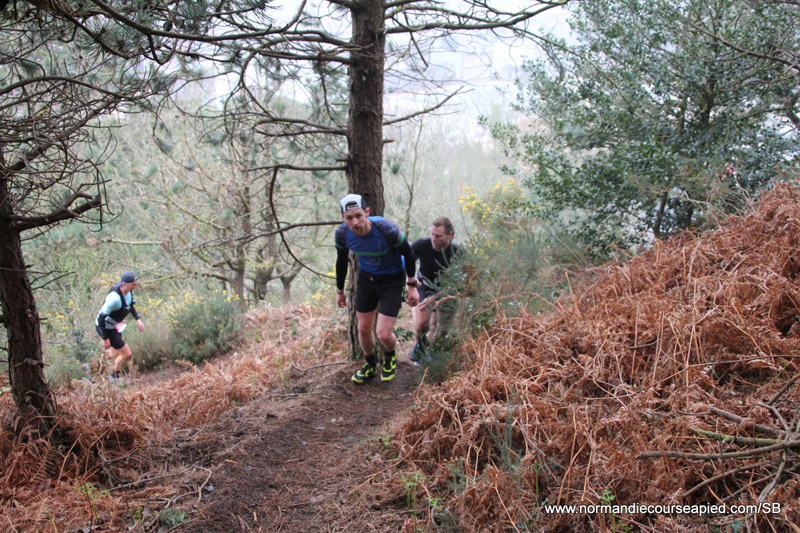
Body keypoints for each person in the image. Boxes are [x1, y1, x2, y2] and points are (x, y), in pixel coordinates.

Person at [335, 194, 419, 384]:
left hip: (393, 279)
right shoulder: (342, 233)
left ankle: (390, 355)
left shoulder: (385, 228)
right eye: (349, 218)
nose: (355, 222)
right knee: (363, 328)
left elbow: (408, 253)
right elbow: (341, 262)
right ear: (343, 218)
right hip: (367, 278)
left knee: (383, 333)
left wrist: (411, 285)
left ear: (367, 212)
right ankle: (370, 364)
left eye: (358, 216)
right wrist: (339, 291)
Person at [409, 217, 461, 362]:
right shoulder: (422, 244)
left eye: (438, 236)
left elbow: (459, 284)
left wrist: (436, 298)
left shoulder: (458, 253)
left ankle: (434, 354)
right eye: (432, 234)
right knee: (422, 323)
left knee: (442, 328)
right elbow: (406, 262)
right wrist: (410, 283)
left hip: (448, 290)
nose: (434, 238)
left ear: (450, 235)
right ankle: (420, 345)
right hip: (424, 284)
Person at [95, 271, 144, 382]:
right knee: (126, 353)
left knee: (115, 353)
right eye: (132, 284)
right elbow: (101, 318)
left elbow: (130, 305)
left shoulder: (129, 292)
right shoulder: (114, 299)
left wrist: (138, 319)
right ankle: (114, 377)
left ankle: (92, 365)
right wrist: (105, 338)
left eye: (135, 284)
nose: (135, 286)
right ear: (123, 284)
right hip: (106, 327)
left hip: (114, 326)